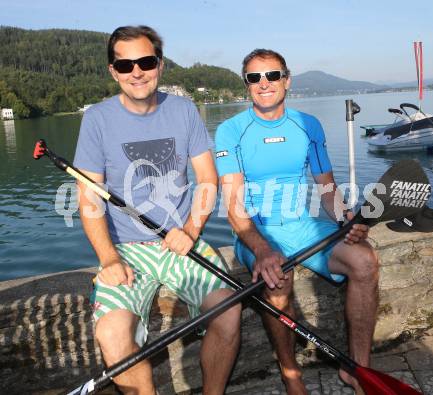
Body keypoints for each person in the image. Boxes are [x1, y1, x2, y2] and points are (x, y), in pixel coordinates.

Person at [73, 25, 241, 395]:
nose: (137, 71)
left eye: (146, 61)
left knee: (228, 309)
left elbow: (207, 179)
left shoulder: (183, 110)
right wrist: (108, 258)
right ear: (112, 70)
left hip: (181, 240)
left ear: (160, 65)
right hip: (127, 251)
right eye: (126, 64)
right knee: (111, 333)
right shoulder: (97, 119)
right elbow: (88, 198)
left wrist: (191, 230)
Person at [215, 49, 378, 395]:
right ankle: (291, 373)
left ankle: (358, 369)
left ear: (286, 80)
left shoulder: (307, 125)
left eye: (272, 75)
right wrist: (261, 250)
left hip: (302, 225)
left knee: (365, 260)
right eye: (254, 77)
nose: (264, 84)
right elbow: (233, 206)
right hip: (256, 231)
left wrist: (347, 219)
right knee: (278, 282)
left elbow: (327, 188)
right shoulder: (231, 131)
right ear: (246, 85)